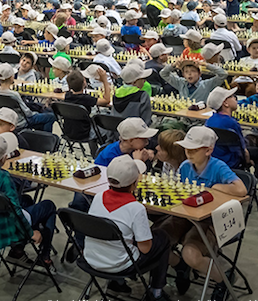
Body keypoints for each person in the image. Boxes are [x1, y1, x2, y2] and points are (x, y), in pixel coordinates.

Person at [163, 127, 247, 299]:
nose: (188, 153)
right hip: (186, 216)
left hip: (211, 221)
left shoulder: (218, 167)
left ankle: (222, 281)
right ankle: (180, 266)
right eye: (186, 148)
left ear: (208, 150)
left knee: (191, 254)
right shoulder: (186, 166)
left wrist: (216, 188)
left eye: (193, 149)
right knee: (155, 240)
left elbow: (241, 189)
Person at [83, 156, 172, 301]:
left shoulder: (97, 197)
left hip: (91, 258)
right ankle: (157, 291)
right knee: (162, 237)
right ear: (135, 183)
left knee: (122, 239)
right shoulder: (136, 208)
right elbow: (145, 249)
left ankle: (117, 283)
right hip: (120, 265)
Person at [0, 133, 58, 272]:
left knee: (26, 199)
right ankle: (44, 255)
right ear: (3, 158)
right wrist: (30, 233)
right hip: (4, 232)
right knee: (49, 206)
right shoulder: (4, 178)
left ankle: (18, 251)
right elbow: (15, 212)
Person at [205, 87, 258, 200]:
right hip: (232, 160)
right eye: (232, 97)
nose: (235, 99)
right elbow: (241, 151)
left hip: (214, 159)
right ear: (225, 103)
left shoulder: (210, 120)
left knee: (251, 141)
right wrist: (247, 160)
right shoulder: (231, 123)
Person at [0, 63, 56, 132]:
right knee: (51, 117)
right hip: (21, 122)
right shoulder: (14, 95)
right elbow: (27, 113)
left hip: (6, 120)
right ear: (11, 77)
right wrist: (35, 113)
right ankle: (46, 138)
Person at [160, 58, 228, 103]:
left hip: (199, 120)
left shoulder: (207, 84)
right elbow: (163, 73)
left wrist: (206, 65)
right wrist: (173, 65)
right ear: (183, 75)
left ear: (199, 74)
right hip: (184, 118)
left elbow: (223, 74)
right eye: (186, 72)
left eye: (193, 71)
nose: (189, 74)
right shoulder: (180, 83)